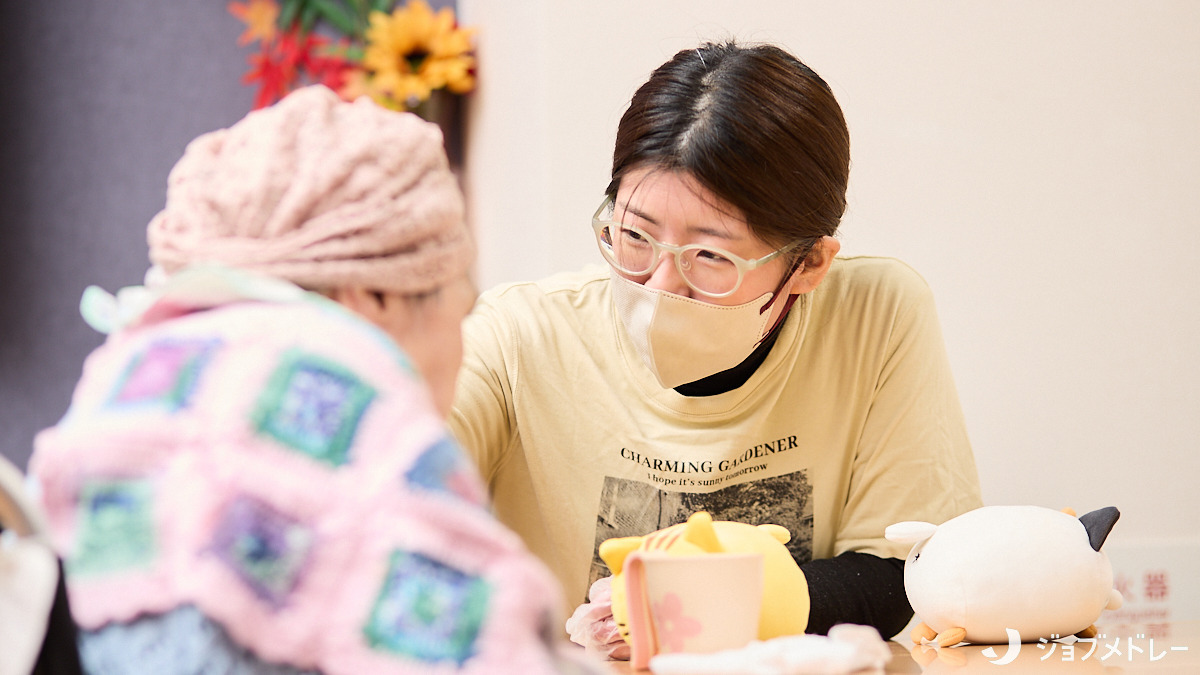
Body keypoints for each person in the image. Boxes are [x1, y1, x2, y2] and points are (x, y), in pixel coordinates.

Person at [27, 86, 599, 674]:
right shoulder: (327, 395)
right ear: (375, 294)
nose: (462, 343)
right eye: (462, 307)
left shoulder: (140, 374)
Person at [447, 40, 983, 652]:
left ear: (808, 263)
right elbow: (393, 471)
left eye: (711, 255)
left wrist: (690, 608)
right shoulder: (521, 334)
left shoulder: (873, 316)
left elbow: (901, 574)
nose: (658, 287)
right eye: (634, 235)